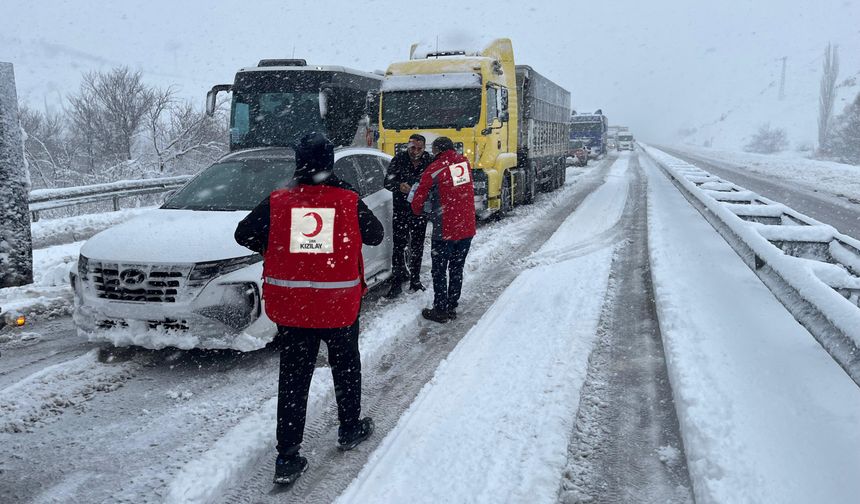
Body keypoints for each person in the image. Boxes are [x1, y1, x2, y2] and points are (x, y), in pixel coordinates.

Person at [234, 132, 384, 486]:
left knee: (293, 380)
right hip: (338, 306)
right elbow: (375, 235)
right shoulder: (347, 200)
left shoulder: (279, 201)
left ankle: (287, 457)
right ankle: (349, 428)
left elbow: (244, 234)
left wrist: (276, 247)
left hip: (294, 308)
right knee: (345, 367)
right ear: (330, 162)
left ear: (297, 162)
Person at [410, 136, 476, 323]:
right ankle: (452, 306)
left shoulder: (434, 169)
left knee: (439, 271)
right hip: (466, 228)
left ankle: (440, 310)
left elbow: (418, 200)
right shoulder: (462, 163)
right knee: (456, 268)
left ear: (437, 150)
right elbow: (458, 190)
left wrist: (418, 209)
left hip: (446, 229)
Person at [384, 133, 432, 298]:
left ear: (424, 148)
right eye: (413, 147)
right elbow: (387, 182)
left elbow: (436, 183)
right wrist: (399, 186)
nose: (415, 151)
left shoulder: (429, 160)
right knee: (399, 247)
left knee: (418, 246)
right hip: (401, 210)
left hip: (420, 211)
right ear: (408, 146)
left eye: (419, 148)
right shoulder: (399, 159)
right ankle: (396, 283)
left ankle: (415, 280)